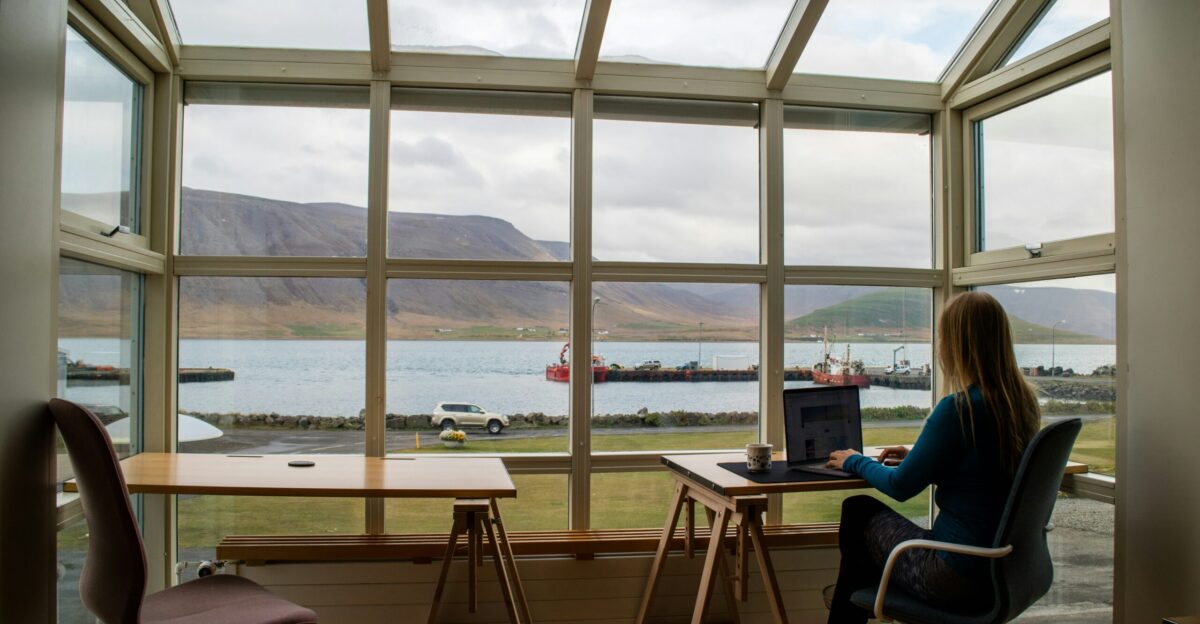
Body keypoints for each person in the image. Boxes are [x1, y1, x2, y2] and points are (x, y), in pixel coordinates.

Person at [823, 291, 1042, 623]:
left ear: (955, 345)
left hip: (954, 574)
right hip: (1007, 570)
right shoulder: (1020, 404)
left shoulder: (960, 409)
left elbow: (899, 486)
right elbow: (981, 471)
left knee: (858, 510)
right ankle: (857, 598)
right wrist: (919, 457)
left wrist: (854, 460)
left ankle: (854, 602)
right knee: (860, 568)